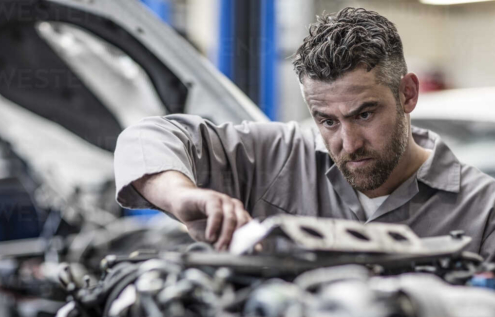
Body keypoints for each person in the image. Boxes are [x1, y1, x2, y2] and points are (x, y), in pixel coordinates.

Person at [114, 7, 495, 258]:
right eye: (327, 120)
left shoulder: (483, 211)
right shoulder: (274, 155)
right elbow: (148, 138)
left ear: (407, 93)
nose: (348, 143)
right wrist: (181, 197)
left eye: (364, 114)